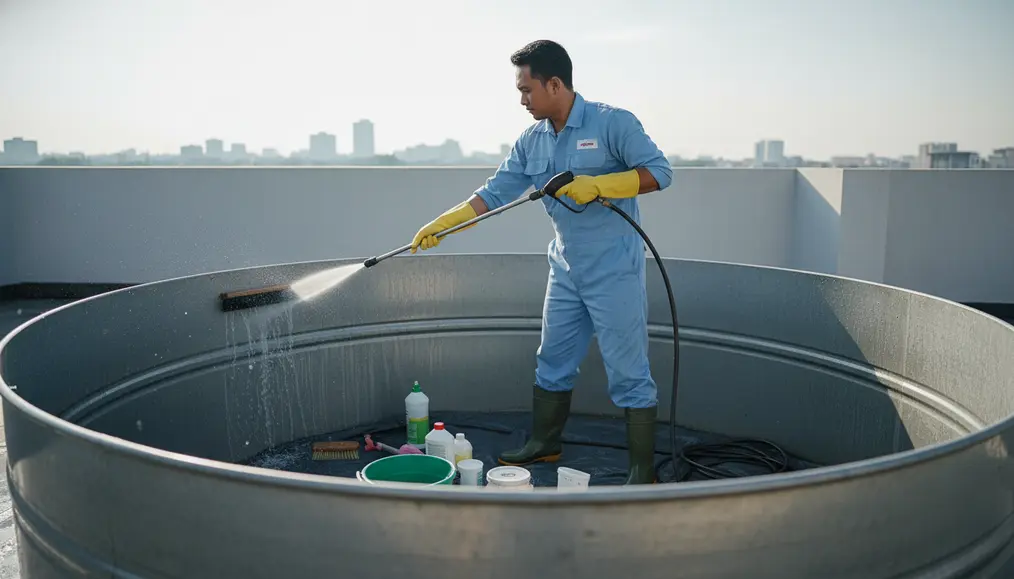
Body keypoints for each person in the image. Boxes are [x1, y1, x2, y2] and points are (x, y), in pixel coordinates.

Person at [409, 39, 672, 485]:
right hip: (566, 270)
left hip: (615, 270)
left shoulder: (613, 123)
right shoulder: (531, 141)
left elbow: (660, 172)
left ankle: (641, 470)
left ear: (555, 84)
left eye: (527, 90)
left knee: (629, 372)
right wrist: (445, 223)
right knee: (551, 359)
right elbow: (494, 195)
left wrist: (601, 185)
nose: (522, 100)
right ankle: (545, 444)